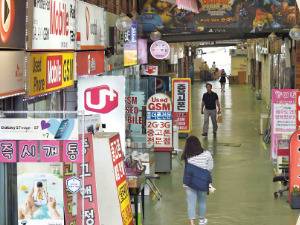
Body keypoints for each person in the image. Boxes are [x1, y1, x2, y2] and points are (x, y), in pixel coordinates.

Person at [182, 136, 214, 225]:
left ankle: (192, 223)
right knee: (202, 201)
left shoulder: (187, 155)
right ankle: (202, 221)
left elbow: (185, 169)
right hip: (202, 182)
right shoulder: (207, 154)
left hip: (189, 182)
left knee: (191, 203)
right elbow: (210, 167)